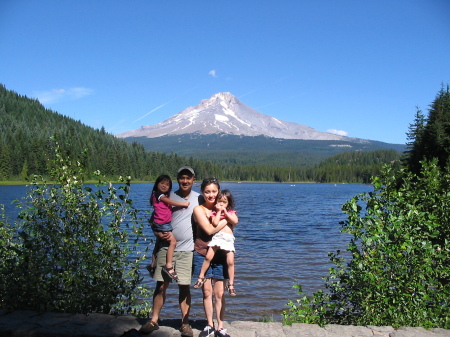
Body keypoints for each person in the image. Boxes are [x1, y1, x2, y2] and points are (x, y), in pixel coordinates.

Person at [139, 166, 200, 337]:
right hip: (165, 248)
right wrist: (157, 233)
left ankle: (185, 323)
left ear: (193, 180)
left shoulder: (199, 198)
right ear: (178, 179)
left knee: (184, 287)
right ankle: (154, 320)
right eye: (182, 178)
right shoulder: (167, 197)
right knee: (160, 285)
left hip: (187, 250)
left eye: (189, 178)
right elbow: (153, 220)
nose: (185, 181)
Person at [193, 178, 238, 337]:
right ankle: (209, 325)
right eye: (207, 191)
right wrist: (226, 220)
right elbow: (209, 229)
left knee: (219, 293)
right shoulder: (199, 209)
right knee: (206, 292)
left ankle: (220, 326)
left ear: (218, 192)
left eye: (214, 191)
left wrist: (225, 215)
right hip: (202, 252)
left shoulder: (226, 207)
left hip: (220, 256)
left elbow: (234, 222)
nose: (211, 195)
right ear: (202, 192)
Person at [194, 189, 238, 296]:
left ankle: (231, 284)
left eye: (224, 202)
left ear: (228, 203)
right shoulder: (214, 213)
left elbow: (235, 221)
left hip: (228, 239)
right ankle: (201, 277)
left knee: (230, 262)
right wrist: (218, 211)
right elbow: (214, 222)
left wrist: (226, 213)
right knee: (208, 257)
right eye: (220, 201)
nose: (222, 204)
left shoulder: (231, 213)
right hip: (218, 238)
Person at [147, 174, 190, 282]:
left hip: (160, 224)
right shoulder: (159, 196)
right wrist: (183, 204)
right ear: (156, 184)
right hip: (162, 224)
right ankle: (169, 265)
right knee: (173, 242)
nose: (164, 186)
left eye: (167, 184)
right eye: (162, 183)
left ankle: (152, 265)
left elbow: (156, 213)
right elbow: (169, 202)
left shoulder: (157, 196)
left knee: (157, 244)